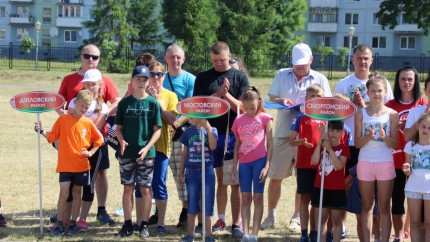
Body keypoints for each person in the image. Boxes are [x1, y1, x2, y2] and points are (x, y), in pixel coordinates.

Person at [262, 43, 332, 232]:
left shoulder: (320, 78)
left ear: (311, 59)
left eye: (303, 64)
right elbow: (271, 96)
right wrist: (281, 101)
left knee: (302, 181)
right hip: (284, 132)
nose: (300, 68)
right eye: (296, 64)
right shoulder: (281, 74)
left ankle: (297, 217)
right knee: (275, 177)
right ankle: (271, 215)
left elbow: (327, 105)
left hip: (311, 139)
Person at [54, 44, 120, 226]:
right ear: (81, 57)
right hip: (73, 140)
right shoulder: (69, 80)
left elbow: (116, 100)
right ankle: (65, 215)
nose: (91, 59)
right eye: (87, 56)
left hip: (97, 140)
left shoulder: (105, 80)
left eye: (95, 57)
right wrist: (69, 123)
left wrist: (104, 113)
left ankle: (99, 210)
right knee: (71, 177)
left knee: (98, 174)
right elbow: (60, 104)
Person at [334, 44, 393, 239]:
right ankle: (345, 228)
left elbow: (387, 109)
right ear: (353, 59)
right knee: (352, 191)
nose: (363, 61)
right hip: (352, 144)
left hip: (379, 149)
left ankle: (378, 234)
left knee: (380, 201)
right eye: (359, 58)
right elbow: (336, 112)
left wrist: (365, 106)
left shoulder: (382, 84)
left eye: (366, 58)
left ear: (371, 60)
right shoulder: (343, 83)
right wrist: (355, 106)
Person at [193, 41, 249, 238]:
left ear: (229, 56)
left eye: (222, 60)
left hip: (233, 136)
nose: (218, 63)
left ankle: (237, 223)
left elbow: (244, 108)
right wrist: (216, 95)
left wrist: (227, 97)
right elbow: (197, 108)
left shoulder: (239, 77)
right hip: (209, 134)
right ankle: (220, 219)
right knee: (215, 180)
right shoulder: (202, 77)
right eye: (215, 60)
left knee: (234, 180)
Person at [35, 90, 104, 236]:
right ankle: (60, 224)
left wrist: (91, 152)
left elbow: (99, 141)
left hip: (81, 166)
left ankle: (73, 223)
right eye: (82, 105)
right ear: (75, 103)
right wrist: (41, 131)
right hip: (65, 165)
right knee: (64, 192)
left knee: (77, 192)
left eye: (87, 107)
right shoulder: (63, 120)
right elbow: (52, 137)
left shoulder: (88, 123)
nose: (84, 109)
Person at [114, 65, 162, 238]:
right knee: (128, 188)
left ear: (148, 81)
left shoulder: (152, 103)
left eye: (144, 79)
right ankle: (127, 223)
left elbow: (157, 130)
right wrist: (121, 140)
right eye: (138, 79)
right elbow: (117, 128)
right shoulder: (124, 103)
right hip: (126, 153)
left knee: (146, 189)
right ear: (132, 81)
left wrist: (147, 148)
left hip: (146, 154)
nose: (141, 83)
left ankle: (143, 224)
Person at [154, 44, 196, 228]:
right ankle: (157, 211)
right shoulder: (158, 77)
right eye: (172, 57)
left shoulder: (190, 79)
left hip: (180, 133)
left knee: (182, 173)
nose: (175, 60)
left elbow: (191, 107)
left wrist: (176, 123)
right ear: (166, 59)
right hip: (159, 133)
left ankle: (186, 210)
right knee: (159, 173)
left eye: (178, 57)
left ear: (184, 59)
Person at [354, 75, 399, 242]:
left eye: (380, 90)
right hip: (365, 162)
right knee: (366, 206)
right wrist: (368, 137)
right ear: (368, 92)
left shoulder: (392, 115)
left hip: (385, 162)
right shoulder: (360, 114)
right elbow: (357, 144)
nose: (376, 94)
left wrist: (384, 137)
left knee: (384, 206)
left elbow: (394, 144)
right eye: (373, 90)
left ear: (385, 92)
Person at [385, 66, 427, 242]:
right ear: (397, 81)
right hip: (395, 159)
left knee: (418, 201)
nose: (407, 82)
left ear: (416, 82)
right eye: (403, 79)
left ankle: (414, 232)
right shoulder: (390, 106)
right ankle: (399, 234)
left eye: (410, 79)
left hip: (417, 163)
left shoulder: (422, 105)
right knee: (397, 199)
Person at [65, 69, 110, 232]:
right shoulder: (72, 102)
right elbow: (70, 124)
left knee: (88, 184)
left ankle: (82, 219)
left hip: (93, 150)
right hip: (74, 149)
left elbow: (94, 130)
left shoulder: (103, 106)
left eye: (94, 84)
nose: (90, 87)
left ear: (100, 86)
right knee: (71, 185)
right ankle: (67, 219)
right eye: (87, 84)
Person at [230, 86, 273, 242]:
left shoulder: (265, 118)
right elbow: (236, 146)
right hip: (244, 164)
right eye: (246, 108)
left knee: (258, 198)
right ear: (242, 104)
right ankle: (246, 233)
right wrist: (234, 167)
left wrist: (267, 166)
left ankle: (254, 234)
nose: (249, 111)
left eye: (252, 108)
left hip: (260, 162)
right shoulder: (238, 120)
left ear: (259, 103)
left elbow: (271, 145)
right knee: (246, 198)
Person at [289, 84, 325, 242]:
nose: (315, 100)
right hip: (304, 165)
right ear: (306, 99)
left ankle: (314, 232)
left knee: (318, 202)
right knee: (305, 199)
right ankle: (304, 233)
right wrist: (301, 142)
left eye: (319, 97)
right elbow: (291, 141)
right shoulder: (300, 118)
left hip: (322, 166)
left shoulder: (327, 117)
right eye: (312, 97)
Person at [146, 61, 179, 235]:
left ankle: (160, 223)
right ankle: (141, 221)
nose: (156, 78)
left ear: (164, 76)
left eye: (159, 74)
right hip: (142, 147)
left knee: (159, 183)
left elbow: (171, 120)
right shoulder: (141, 94)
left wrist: (158, 102)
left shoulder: (170, 96)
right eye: (152, 74)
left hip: (161, 147)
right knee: (142, 185)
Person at [179, 118, 218, 242]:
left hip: (207, 171)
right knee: (192, 203)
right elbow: (184, 154)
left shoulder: (212, 130)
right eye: (194, 116)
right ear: (191, 118)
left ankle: (208, 235)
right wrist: (181, 173)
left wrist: (209, 128)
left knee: (207, 203)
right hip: (191, 172)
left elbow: (213, 146)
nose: (199, 118)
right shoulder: (188, 132)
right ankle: (190, 234)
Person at [310, 121, 350, 242]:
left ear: (342, 133)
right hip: (320, 187)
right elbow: (314, 161)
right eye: (332, 130)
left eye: (338, 131)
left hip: (337, 189)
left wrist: (329, 149)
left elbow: (339, 166)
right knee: (321, 220)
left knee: (336, 221)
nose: (334, 133)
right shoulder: (321, 146)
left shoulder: (344, 148)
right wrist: (320, 144)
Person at [402, 112, 430, 242]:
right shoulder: (410, 146)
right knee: (415, 222)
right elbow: (408, 170)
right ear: (418, 125)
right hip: (413, 188)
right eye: (424, 126)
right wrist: (406, 169)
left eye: (429, 128)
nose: (426, 130)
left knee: (429, 224)